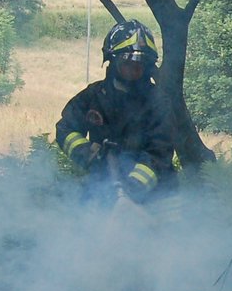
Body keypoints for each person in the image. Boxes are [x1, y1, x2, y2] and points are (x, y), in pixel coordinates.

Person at [55, 21, 175, 203]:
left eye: (140, 64)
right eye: (127, 63)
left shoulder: (158, 102)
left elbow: (159, 153)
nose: (134, 69)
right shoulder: (94, 96)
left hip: (156, 195)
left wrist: (131, 188)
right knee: (84, 226)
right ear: (113, 61)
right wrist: (87, 152)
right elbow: (65, 129)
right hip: (103, 186)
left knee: (167, 231)